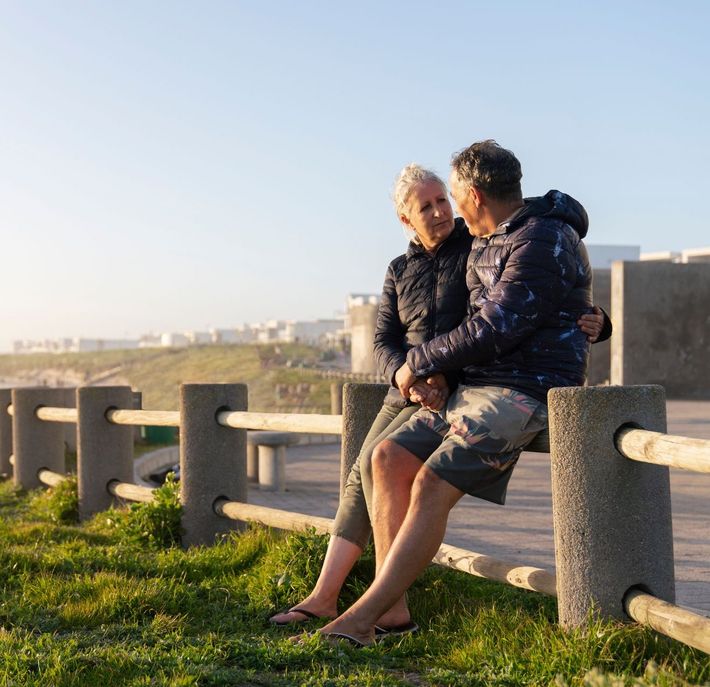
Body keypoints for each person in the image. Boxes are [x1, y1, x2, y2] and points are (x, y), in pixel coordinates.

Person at [271, 160, 608, 632]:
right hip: (414, 386)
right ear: (405, 219)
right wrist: (408, 375)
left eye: (443, 199)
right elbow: (384, 342)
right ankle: (353, 600)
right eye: (425, 206)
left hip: (471, 383)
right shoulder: (403, 268)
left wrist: (598, 319)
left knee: (421, 481)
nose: (438, 211)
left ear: (469, 197)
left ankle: (363, 614)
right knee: (374, 464)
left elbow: (516, 309)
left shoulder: (481, 241)